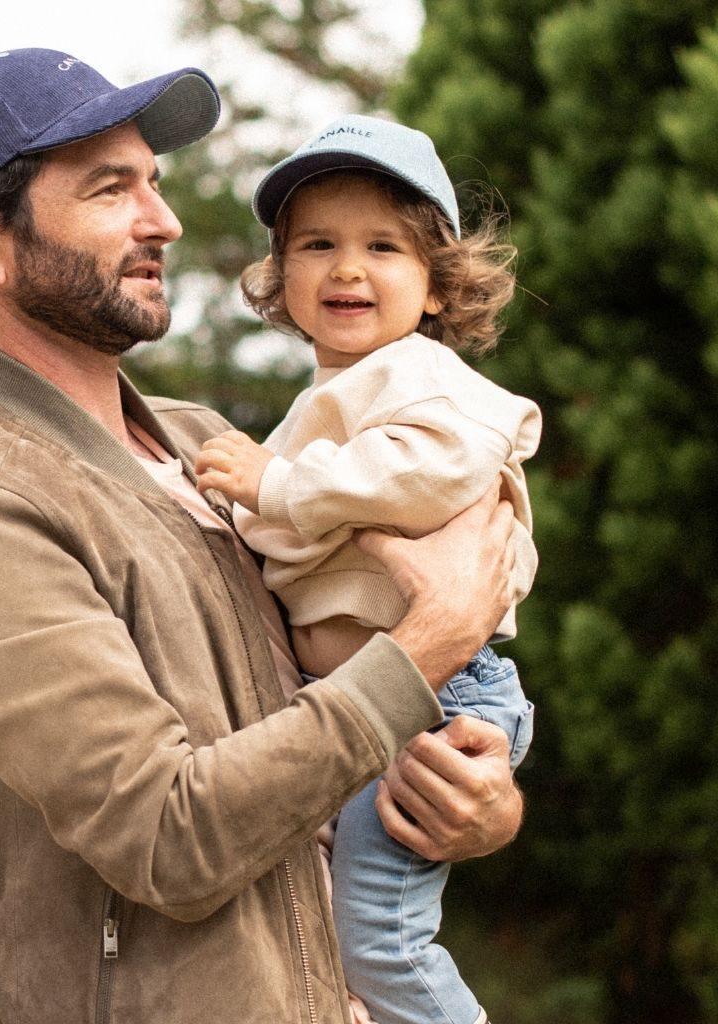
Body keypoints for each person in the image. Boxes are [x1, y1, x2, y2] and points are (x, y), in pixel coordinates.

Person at [0, 49, 524, 1024]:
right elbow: (168, 840)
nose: (164, 221)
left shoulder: (205, 445)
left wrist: (478, 801)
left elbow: (317, 741)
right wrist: (431, 641)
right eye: (110, 188)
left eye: (157, 184)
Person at [194, 115, 541, 1024]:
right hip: (365, 706)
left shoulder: (422, 377)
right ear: (282, 280)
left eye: (382, 246)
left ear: (436, 287)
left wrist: (275, 485)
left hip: (441, 699)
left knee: (380, 943)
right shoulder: (327, 404)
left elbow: (431, 473)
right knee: (333, 949)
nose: (348, 268)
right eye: (318, 244)